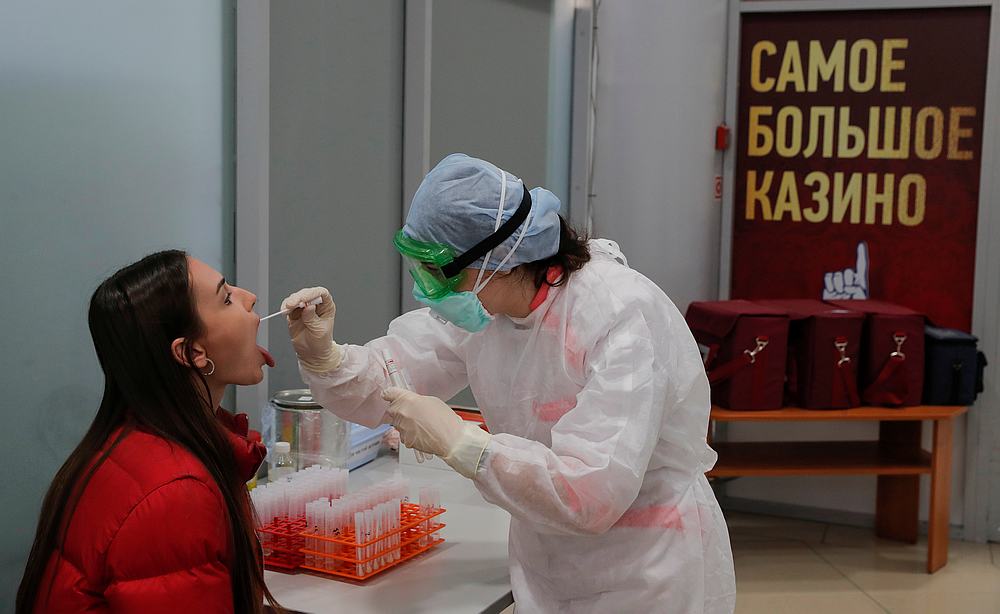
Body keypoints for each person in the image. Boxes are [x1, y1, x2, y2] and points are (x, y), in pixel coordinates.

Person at [283, 154, 736, 613]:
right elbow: (389, 376)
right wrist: (327, 359)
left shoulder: (620, 315)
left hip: (647, 569)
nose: (428, 287)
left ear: (502, 259)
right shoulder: (484, 310)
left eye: (440, 270)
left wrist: (463, 443)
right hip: (545, 560)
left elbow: (592, 494)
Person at [17, 250, 285, 614]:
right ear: (191, 352)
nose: (249, 297)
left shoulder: (137, 441)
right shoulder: (176, 493)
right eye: (226, 297)